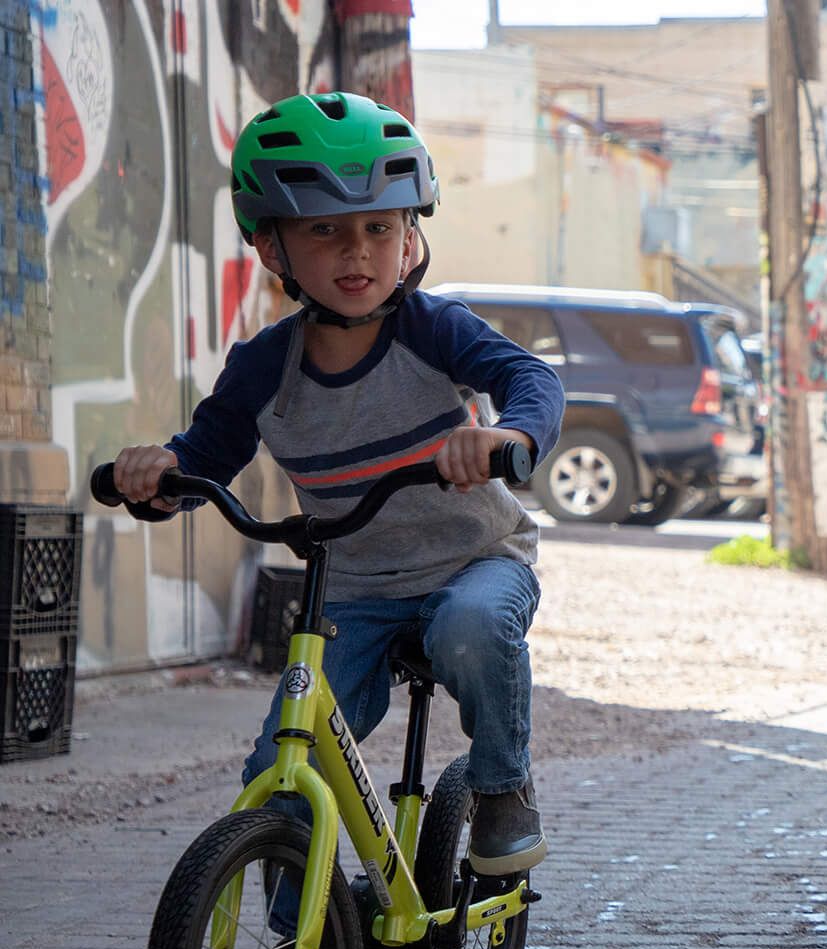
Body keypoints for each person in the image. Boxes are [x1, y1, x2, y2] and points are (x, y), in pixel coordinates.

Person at [110, 91, 562, 880]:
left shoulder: (431, 329)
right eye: (326, 231)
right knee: (283, 768)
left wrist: (508, 435)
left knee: (470, 629)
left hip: (474, 563)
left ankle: (502, 788)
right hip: (352, 590)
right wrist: (157, 477)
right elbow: (203, 460)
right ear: (274, 250)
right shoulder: (263, 367)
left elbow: (528, 378)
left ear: (409, 237)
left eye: (378, 228)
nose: (357, 253)